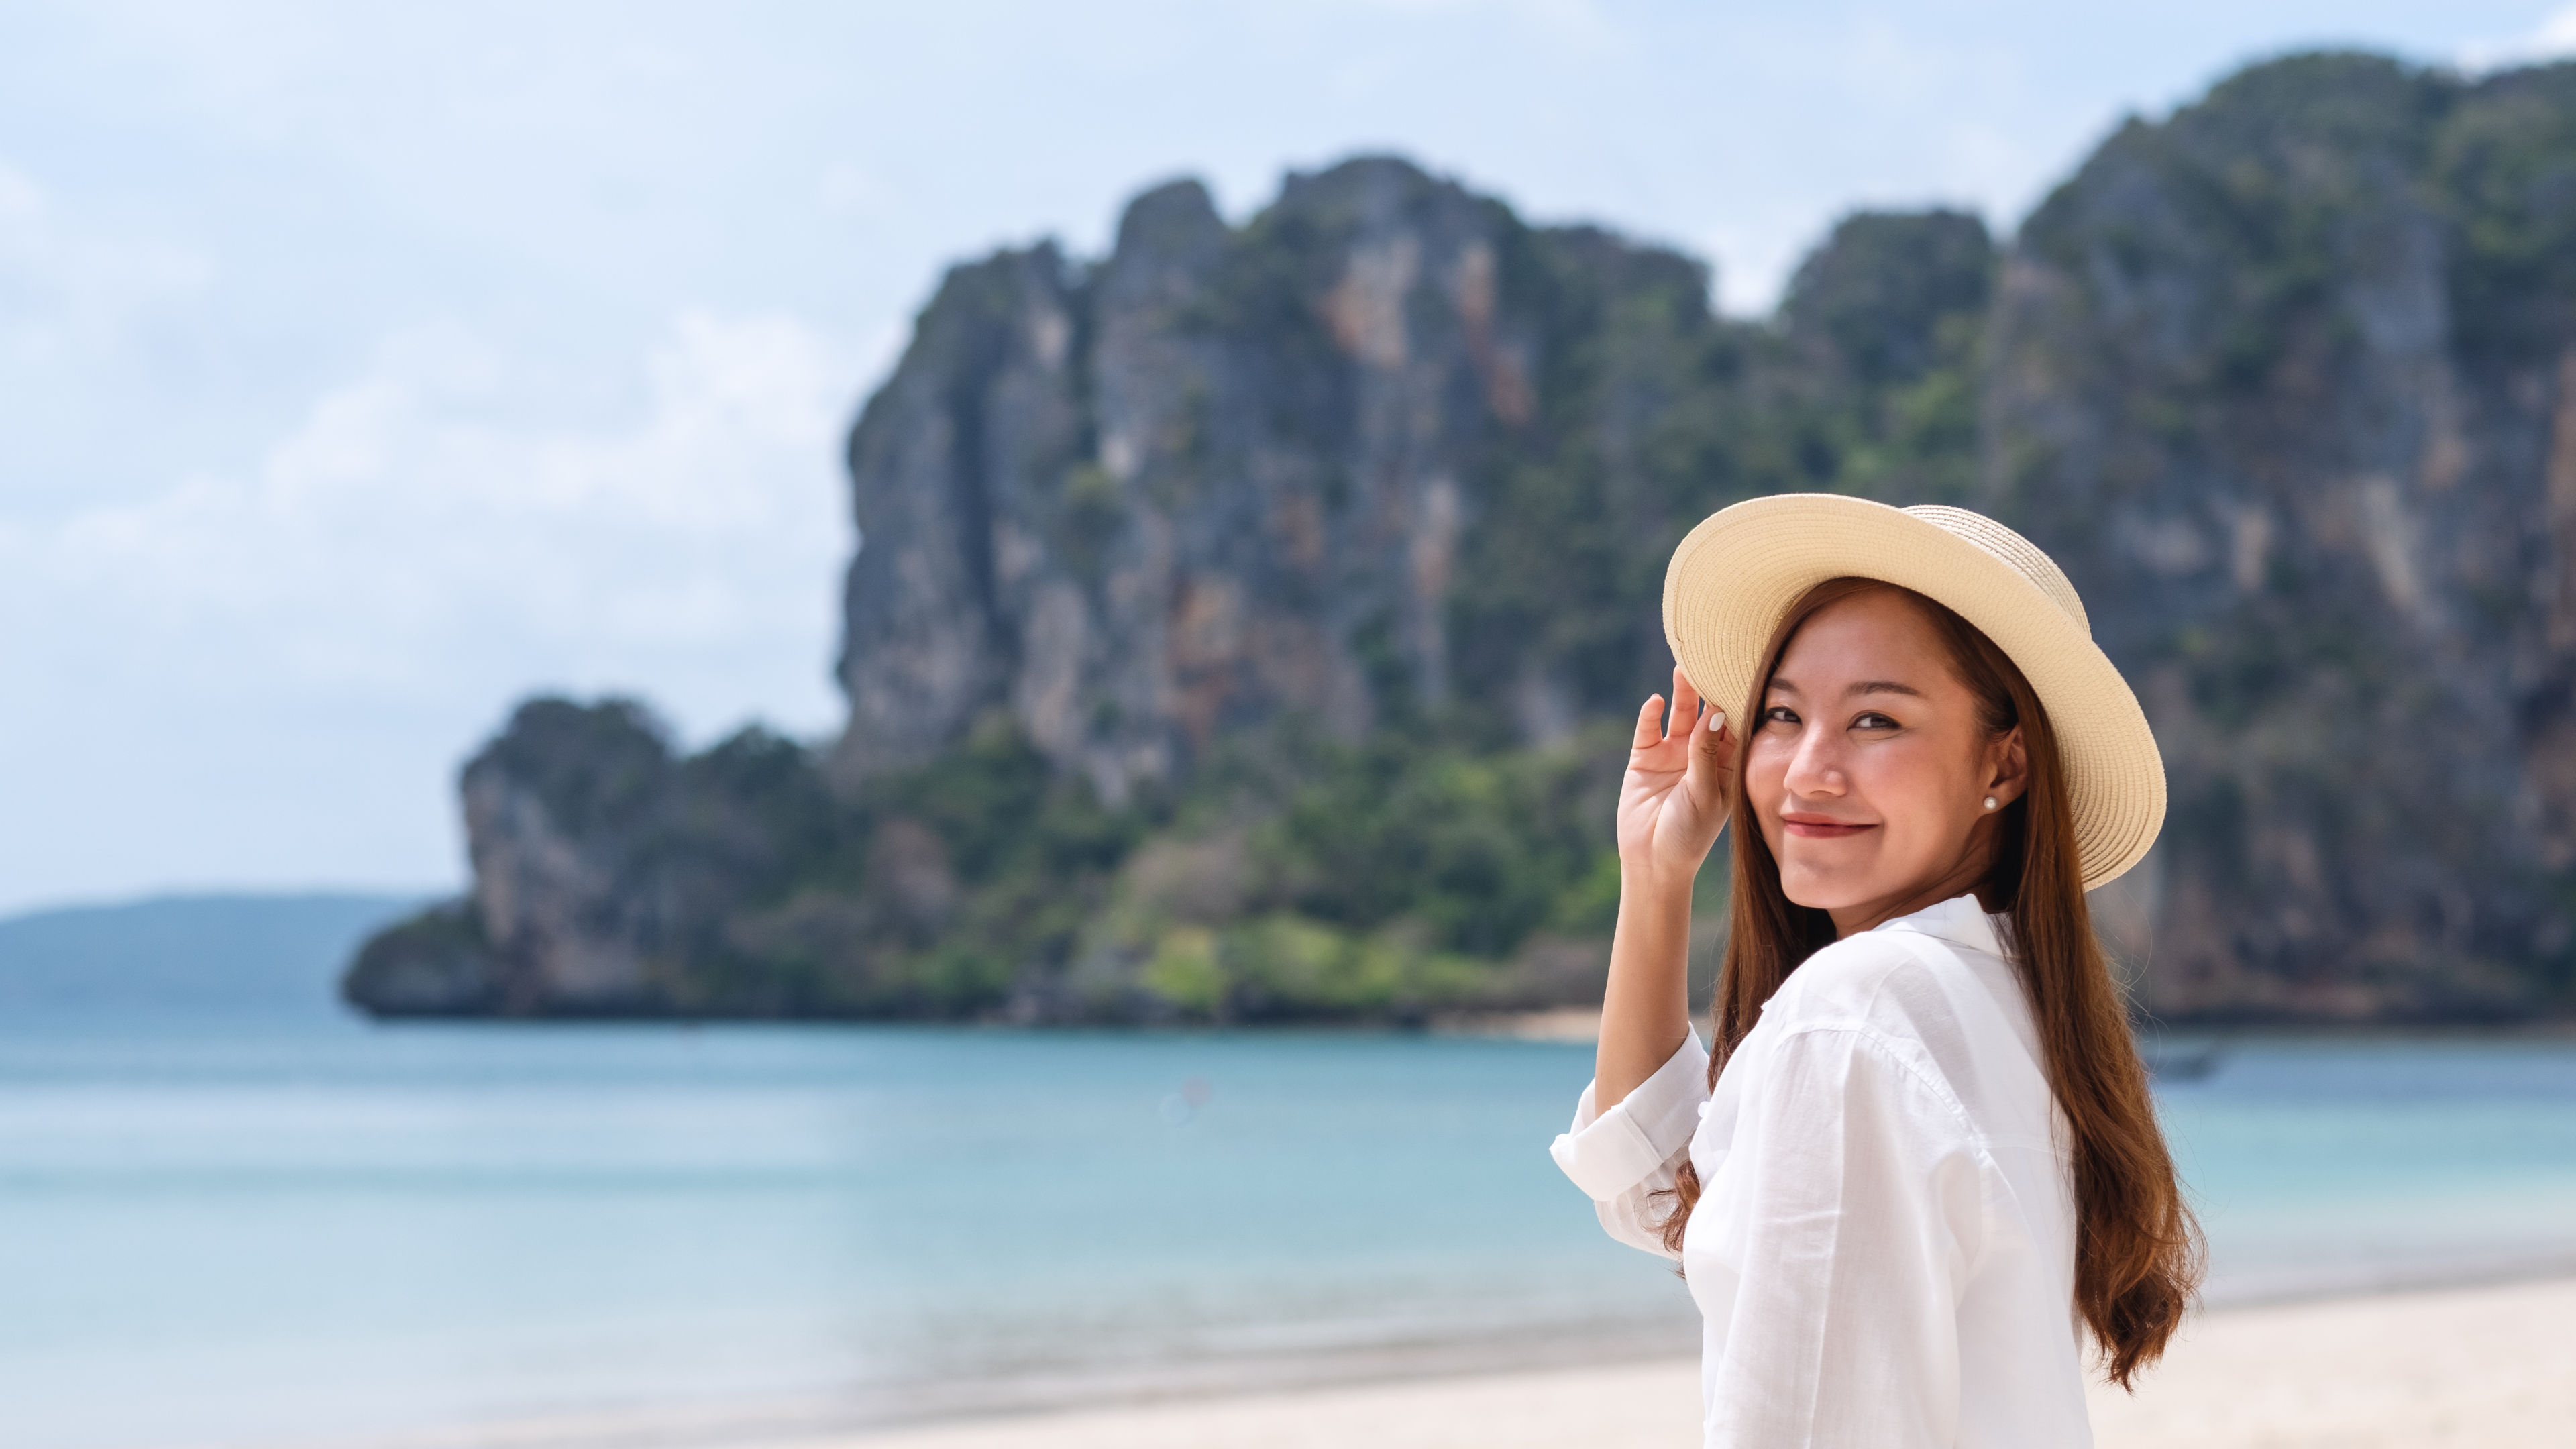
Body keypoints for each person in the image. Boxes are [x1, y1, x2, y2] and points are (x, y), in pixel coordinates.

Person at [1550, 496, 2202, 1447]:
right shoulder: (2001, 999)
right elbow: (1675, 1197)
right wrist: (1656, 878)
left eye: (1876, 722)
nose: (1809, 770)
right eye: (1782, 714)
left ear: (2005, 763)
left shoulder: (1856, 1013)